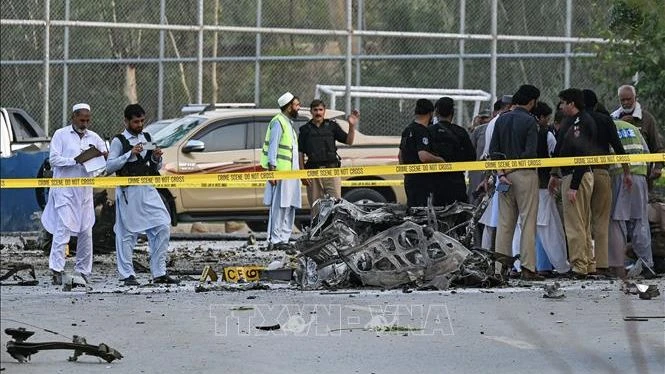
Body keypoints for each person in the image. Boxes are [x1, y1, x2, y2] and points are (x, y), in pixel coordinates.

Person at [106, 104, 178, 286]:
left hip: (147, 188)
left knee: (162, 225)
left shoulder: (147, 137)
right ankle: (127, 275)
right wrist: (129, 154)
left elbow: (155, 166)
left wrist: (156, 157)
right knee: (127, 234)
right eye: (136, 121)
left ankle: (159, 272)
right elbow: (109, 167)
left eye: (142, 121)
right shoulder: (119, 141)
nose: (139, 125)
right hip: (128, 191)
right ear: (127, 121)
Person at [41, 103, 107, 285]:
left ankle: (83, 271)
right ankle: (56, 269)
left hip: (84, 192)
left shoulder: (94, 137)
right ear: (74, 117)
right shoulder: (60, 135)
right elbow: (53, 159)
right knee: (63, 229)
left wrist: (102, 157)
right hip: (64, 191)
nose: (84, 123)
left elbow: (103, 158)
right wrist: (75, 160)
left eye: (87, 120)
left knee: (86, 230)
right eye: (81, 119)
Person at [488, 84, 542, 280]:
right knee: (527, 221)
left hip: (503, 176)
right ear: (531, 101)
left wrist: (501, 173)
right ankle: (528, 267)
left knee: (504, 223)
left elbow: (494, 151)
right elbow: (530, 152)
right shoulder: (530, 121)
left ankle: (499, 268)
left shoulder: (501, 120)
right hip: (525, 174)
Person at [549, 88, 598, 278]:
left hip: (578, 175)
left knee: (575, 223)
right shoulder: (572, 122)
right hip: (573, 174)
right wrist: (555, 173)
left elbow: (582, 155)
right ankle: (587, 263)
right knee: (583, 223)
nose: (561, 106)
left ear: (571, 103)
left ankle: (579, 265)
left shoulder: (583, 122)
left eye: (563, 102)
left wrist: (574, 186)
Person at [583, 89, 631, 276]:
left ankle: (586, 263)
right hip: (602, 172)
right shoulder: (605, 120)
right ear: (596, 104)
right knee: (601, 220)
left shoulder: (577, 121)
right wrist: (626, 172)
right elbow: (618, 147)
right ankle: (602, 264)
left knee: (582, 220)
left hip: (581, 173)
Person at [608, 120, 654, 277]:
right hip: (639, 177)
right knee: (640, 221)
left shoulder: (609, 126)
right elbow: (647, 155)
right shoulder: (635, 129)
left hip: (617, 176)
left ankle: (617, 266)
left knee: (617, 222)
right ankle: (647, 264)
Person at [532, 102, 570, 275]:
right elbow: (556, 159)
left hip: (523, 186)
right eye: (546, 118)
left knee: (526, 226)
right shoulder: (546, 135)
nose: (547, 121)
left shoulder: (524, 130)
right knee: (549, 227)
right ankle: (556, 265)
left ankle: (527, 265)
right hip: (543, 186)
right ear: (540, 117)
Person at [298, 99, 359, 208]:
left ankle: (335, 225)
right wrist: (303, 174)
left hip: (331, 170)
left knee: (336, 205)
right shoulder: (305, 130)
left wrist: (351, 126)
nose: (318, 113)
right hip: (313, 172)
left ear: (324, 111)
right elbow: (300, 153)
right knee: (316, 206)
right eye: (315, 110)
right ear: (311, 112)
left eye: (320, 110)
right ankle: (318, 225)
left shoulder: (332, 126)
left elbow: (349, 141)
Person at [260, 92, 302, 249]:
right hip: (281, 173)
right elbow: (273, 148)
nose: (299, 108)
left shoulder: (289, 123)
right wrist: (273, 171)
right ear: (289, 106)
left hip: (292, 174)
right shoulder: (278, 122)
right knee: (278, 207)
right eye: (297, 105)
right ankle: (274, 240)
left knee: (289, 206)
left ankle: (284, 238)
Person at [611, 84, 664, 185]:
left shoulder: (647, 119)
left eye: (629, 99)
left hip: (642, 174)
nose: (626, 103)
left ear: (635, 98)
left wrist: (658, 167)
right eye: (622, 100)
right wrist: (619, 124)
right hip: (618, 174)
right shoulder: (613, 118)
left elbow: (657, 145)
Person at [428, 97, 476, 206]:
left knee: (437, 214)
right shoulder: (461, 132)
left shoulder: (429, 131)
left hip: (435, 182)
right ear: (452, 113)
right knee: (459, 215)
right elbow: (471, 157)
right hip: (456, 181)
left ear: (436, 112)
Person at [398, 99, 444, 207]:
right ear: (430, 113)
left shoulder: (407, 129)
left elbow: (400, 156)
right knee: (422, 212)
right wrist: (440, 160)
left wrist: (407, 173)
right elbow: (423, 156)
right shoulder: (422, 131)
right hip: (422, 180)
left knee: (412, 209)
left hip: (409, 179)